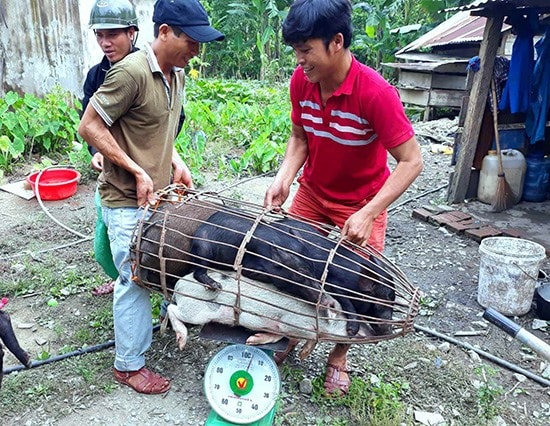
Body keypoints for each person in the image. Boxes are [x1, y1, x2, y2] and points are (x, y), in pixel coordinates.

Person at [264, 0, 423, 396]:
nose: (299, 60)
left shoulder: (376, 94)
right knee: (291, 264)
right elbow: (300, 137)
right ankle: (290, 333)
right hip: (314, 193)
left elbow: (412, 161)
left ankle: (338, 356)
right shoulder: (301, 82)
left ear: (336, 42)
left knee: (356, 283)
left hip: (362, 201)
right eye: (295, 51)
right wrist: (285, 177)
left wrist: (370, 213)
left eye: (306, 50)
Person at [78, 0, 224, 394]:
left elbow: (156, 126)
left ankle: (151, 330)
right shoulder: (131, 73)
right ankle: (128, 365)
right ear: (164, 33)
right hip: (125, 200)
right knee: (134, 279)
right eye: (191, 41)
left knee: (158, 267)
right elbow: (89, 126)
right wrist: (138, 170)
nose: (196, 50)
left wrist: (175, 160)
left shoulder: (175, 74)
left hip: (156, 198)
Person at [84, 0, 140, 296]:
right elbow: (88, 122)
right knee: (107, 235)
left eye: (113, 35)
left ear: (131, 33)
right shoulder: (96, 76)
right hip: (112, 174)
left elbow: (170, 121)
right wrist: (96, 152)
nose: (105, 43)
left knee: (148, 236)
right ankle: (121, 277)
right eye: (99, 35)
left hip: (145, 168)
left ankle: (144, 283)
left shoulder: (147, 70)